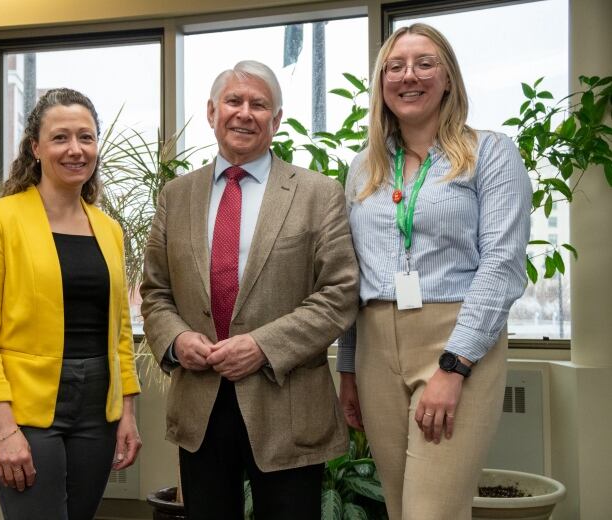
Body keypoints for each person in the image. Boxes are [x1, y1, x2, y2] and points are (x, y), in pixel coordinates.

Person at [140, 60, 359, 520]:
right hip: (201, 403)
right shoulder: (175, 196)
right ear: (212, 112)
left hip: (287, 405)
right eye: (234, 102)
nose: (244, 113)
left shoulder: (318, 193)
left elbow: (339, 292)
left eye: (258, 105)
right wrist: (177, 340)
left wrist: (263, 346)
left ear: (276, 120)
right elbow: (156, 291)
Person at [336, 23, 531, 520]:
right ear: (382, 84)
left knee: (432, 512)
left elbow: (503, 265)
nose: (409, 76)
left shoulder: (490, 153)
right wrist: (349, 370)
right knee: (402, 509)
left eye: (425, 63)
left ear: (448, 78)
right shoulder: (363, 168)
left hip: (456, 339)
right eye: (395, 67)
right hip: (376, 346)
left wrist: (455, 365)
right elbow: (355, 275)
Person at [0, 88, 142, 520]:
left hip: (99, 406)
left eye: (86, 137)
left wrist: (127, 411)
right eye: (60, 138)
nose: (75, 149)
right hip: (24, 407)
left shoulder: (109, 229)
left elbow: (118, 329)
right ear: (35, 148)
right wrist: (2, 428)